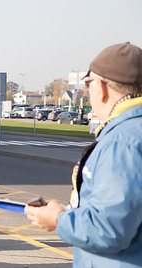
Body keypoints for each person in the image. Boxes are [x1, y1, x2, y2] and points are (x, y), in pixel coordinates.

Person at [25, 42, 142, 267]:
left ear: (102, 87)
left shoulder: (122, 141)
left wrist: (59, 220)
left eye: (88, 84)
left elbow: (110, 229)